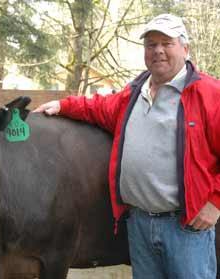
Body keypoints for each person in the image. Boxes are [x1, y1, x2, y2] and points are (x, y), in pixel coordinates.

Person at [34, 14, 220, 279]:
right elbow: (97, 107)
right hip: (140, 224)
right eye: (151, 44)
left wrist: (215, 202)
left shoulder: (210, 94)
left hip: (185, 227)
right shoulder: (133, 94)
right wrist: (63, 105)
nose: (157, 50)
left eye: (166, 43)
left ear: (185, 48)